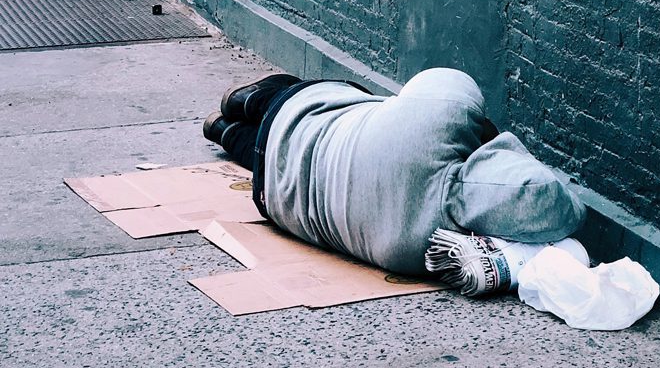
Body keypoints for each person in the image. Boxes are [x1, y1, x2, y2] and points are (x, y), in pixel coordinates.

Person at [203, 68, 586, 276]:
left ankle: (244, 100)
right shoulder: (421, 251)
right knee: (275, 160)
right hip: (275, 196)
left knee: (301, 101)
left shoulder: (441, 116)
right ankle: (224, 132)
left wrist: (488, 136)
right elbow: (559, 206)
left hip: (304, 111)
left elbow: (446, 79)